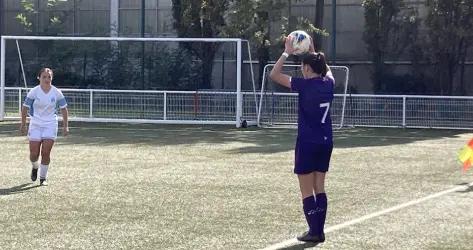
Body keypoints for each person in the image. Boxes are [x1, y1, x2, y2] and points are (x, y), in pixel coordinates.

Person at [269, 36, 334, 243]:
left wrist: (287, 52)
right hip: (326, 142)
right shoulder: (329, 84)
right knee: (319, 187)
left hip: (307, 142)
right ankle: (318, 231)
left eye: (303, 67)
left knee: (306, 188)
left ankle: (314, 232)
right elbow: (327, 70)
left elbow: (274, 74)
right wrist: (313, 51)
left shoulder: (304, 85)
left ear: (306, 69)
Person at [20, 68, 69, 186]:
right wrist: (23, 124)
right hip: (35, 124)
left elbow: (64, 109)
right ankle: (35, 167)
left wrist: (65, 126)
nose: (47, 79)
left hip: (50, 124)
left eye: (49, 77)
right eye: (44, 77)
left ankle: (43, 178)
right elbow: (25, 108)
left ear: (52, 78)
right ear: (39, 78)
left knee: (46, 152)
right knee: (33, 154)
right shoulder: (34, 92)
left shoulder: (57, 92)